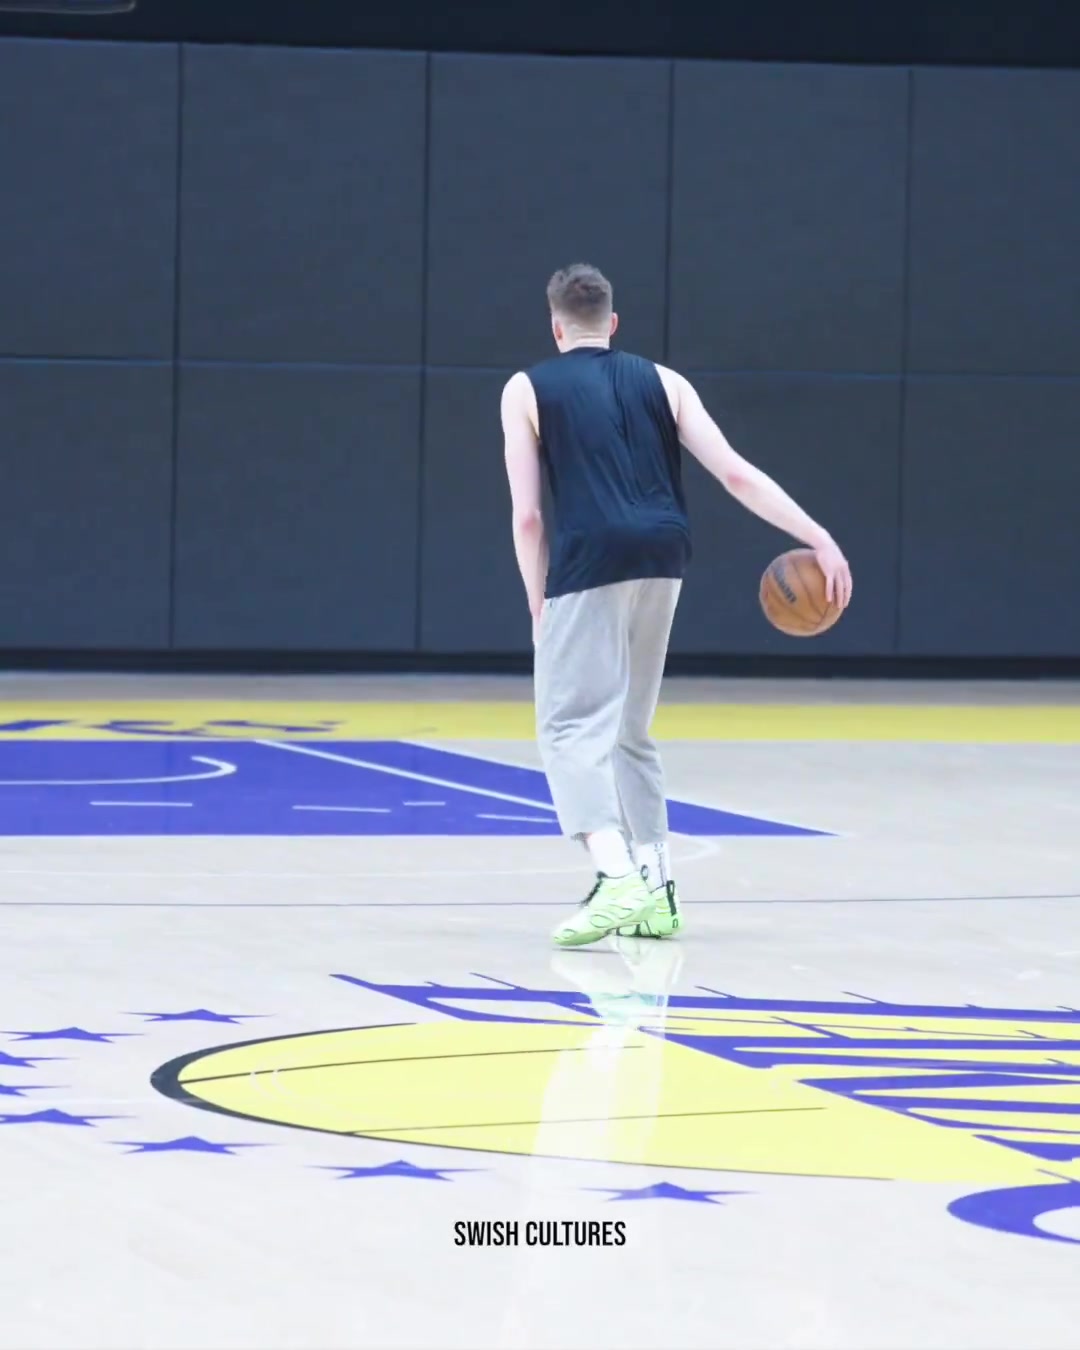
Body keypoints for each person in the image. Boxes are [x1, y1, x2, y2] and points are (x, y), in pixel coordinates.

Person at [501, 264, 852, 948]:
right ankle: (658, 892)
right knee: (629, 731)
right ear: (612, 322)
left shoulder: (525, 388)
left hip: (591, 557)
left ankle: (616, 876)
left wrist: (537, 602)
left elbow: (528, 518)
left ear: (555, 326)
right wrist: (819, 537)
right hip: (665, 553)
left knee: (568, 730)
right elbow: (736, 474)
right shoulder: (666, 381)